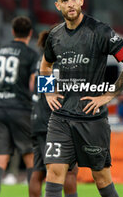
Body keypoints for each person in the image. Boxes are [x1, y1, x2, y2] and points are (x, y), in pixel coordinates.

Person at [40, 0, 123, 197]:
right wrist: (48, 91)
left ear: (82, 0)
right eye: (65, 1)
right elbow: (45, 66)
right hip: (61, 117)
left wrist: (109, 95)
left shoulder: (101, 31)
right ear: (58, 5)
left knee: (101, 176)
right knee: (54, 171)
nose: (70, 4)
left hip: (91, 118)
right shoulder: (54, 36)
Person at [0, 16, 38, 197]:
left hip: (0, 107)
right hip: (21, 108)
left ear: (13, 31)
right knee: (31, 158)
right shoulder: (31, 54)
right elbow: (33, 83)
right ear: (30, 33)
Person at [29, 30, 78, 197]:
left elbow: (36, 88)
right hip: (55, 123)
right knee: (68, 172)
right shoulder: (61, 60)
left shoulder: (40, 61)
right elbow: (55, 94)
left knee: (39, 172)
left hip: (38, 120)